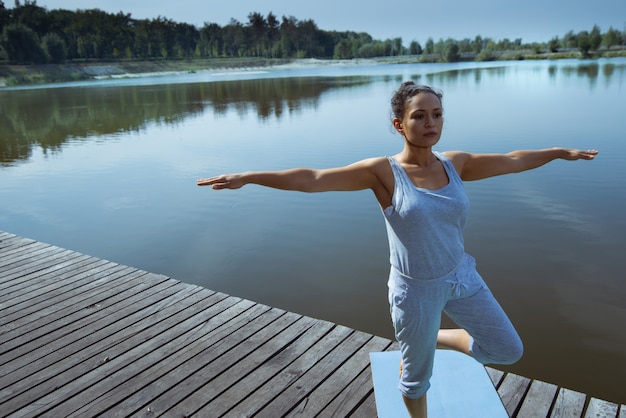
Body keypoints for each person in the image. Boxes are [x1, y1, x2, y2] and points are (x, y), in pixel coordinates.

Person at [197, 82, 598, 418]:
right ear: (399, 124)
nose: (430, 123)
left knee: (507, 350)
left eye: (437, 114)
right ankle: (419, 350)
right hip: (415, 291)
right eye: (419, 116)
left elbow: (512, 160)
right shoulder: (383, 173)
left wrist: (559, 153)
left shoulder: (455, 164)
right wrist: (248, 177)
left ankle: (434, 337)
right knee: (415, 381)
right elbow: (313, 178)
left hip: (463, 277)